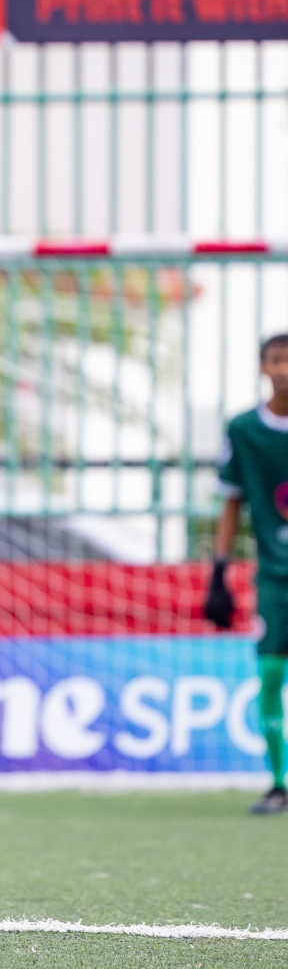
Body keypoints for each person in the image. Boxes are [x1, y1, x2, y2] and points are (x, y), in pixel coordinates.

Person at [208, 333, 288, 816]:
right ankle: (279, 782)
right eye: (275, 359)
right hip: (276, 578)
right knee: (271, 672)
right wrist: (218, 574)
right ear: (262, 367)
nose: (284, 368)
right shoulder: (243, 429)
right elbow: (231, 503)